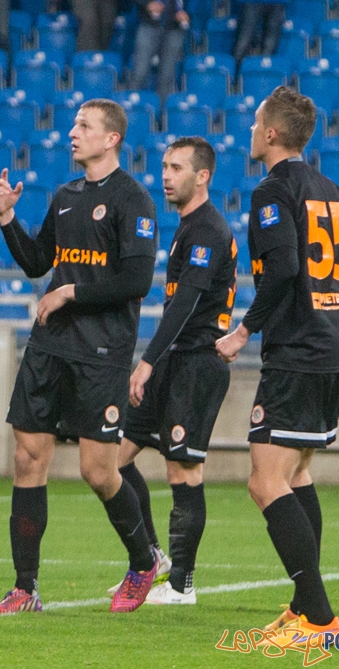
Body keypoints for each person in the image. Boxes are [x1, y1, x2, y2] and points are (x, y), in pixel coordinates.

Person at [0, 98, 161, 615]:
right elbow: (38, 261)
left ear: (112, 138)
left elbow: (136, 280)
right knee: (27, 458)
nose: (72, 132)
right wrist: (7, 218)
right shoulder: (65, 196)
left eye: (84, 125)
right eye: (73, 124)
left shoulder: (134, 199)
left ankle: (144, 561)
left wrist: (70, 293)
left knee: (98, 472)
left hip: (102, 351)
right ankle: (25, 588)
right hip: (51, 345)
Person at [215, 87, 339, 648]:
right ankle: (304, 606)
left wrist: (243, 331)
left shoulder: (272, 190)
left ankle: (321, 620)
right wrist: (333, 319)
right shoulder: (334, 192)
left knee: (264, 482)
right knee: (296, 474)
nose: (250, 130)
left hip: (299, 353)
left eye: (255, 121)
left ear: (272, 133)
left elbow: (282, 268)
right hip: (336, 347)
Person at [117, 137, 237, 606]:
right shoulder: (188, 226)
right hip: (172, 359)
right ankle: (152, 556)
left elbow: (186, 303)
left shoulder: (208, 229)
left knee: (183, 469)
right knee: (114, 458)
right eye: (164, 166)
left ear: (202, 176)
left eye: (177, 168)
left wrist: (146, 360)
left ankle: (182, 584)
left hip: (195, 363)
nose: (165, 175)